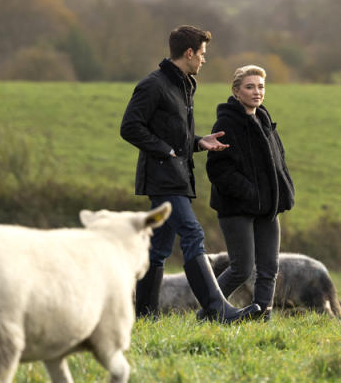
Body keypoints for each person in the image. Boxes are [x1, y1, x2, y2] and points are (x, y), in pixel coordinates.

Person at [120, 25, 260, 322]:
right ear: (189, 53)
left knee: (157, 249)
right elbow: (130, 127)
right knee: (193, 236)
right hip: (163, 177)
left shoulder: (183, 84)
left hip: (178, 175)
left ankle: (144, 316)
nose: (204, 60)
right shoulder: (153, 85)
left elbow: (172, 132)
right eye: (202, 54)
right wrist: (164, 151)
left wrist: (198, 142)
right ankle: (217, 309)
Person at [206, 65, 295, 320]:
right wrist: (251, 194)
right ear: (236, 91)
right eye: (250, 87)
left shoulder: (265, 120)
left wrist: (284, 189)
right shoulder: (225, 123)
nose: (257, 92)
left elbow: (279, 162)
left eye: (261, 86)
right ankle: (208, 311)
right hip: (236, 209)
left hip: (268, 208)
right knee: (241, 269)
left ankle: (260, 320)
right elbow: (218, 170)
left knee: (269, 268)